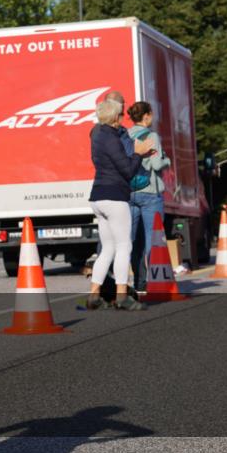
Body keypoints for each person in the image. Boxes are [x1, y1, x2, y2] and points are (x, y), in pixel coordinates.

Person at [86, 99, 154, 311]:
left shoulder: (97, 133)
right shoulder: (111, 138)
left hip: (97, 196)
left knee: (108, 248)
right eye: (121, 115)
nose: (123, 118)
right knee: (125, 246)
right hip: (114, 196)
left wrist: (136, 153)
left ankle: (94, 295)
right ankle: (122, 296)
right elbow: (127, 171)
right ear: (116, 117)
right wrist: (138, 153)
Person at [127, 101, 171, 296]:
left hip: (130, 193)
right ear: (146, 115)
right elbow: (157, 164)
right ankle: (157, 281)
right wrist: (167, 160)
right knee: (154, 239)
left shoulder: (126, 135)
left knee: (134, 241)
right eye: (151, 114)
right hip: (151, 193)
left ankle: (139, 282)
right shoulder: (151, 136)